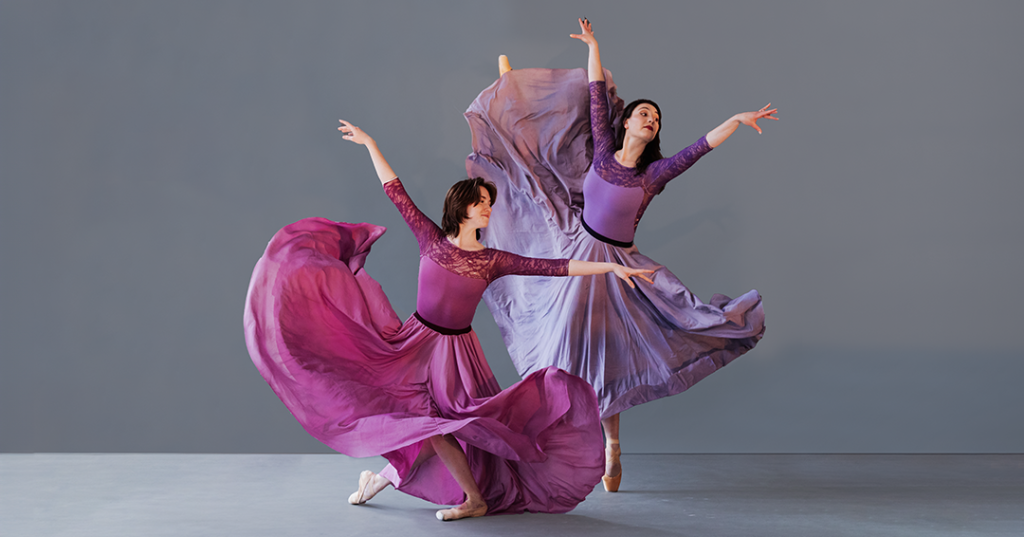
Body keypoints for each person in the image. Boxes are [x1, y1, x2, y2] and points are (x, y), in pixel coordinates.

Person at [243, 118, 654, 521]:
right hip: (415, 342)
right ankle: (413, 485)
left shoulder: (492, 260)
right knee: (423, 422)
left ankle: (441, 492)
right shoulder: (431, 239)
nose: (487, 209)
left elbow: (556, 266)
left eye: (489, 203)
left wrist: (612, 269)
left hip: (456, 355)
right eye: (480, 203)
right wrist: (370, 143)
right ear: (462, 207)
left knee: (444, 424)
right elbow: (395, 190)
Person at [464, 18, 774, 492]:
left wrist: (736, 120)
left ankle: (611, 444)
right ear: (627, 120)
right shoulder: (603, 152)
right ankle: (548, 444)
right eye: (644, 113)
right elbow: (593, 93)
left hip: (618, 270)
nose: (651, 120)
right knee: (555, 345)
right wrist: (593, 45)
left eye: (656, 119)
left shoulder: (653, 176)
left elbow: (699, 148)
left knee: (608, 359)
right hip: (575, 249)